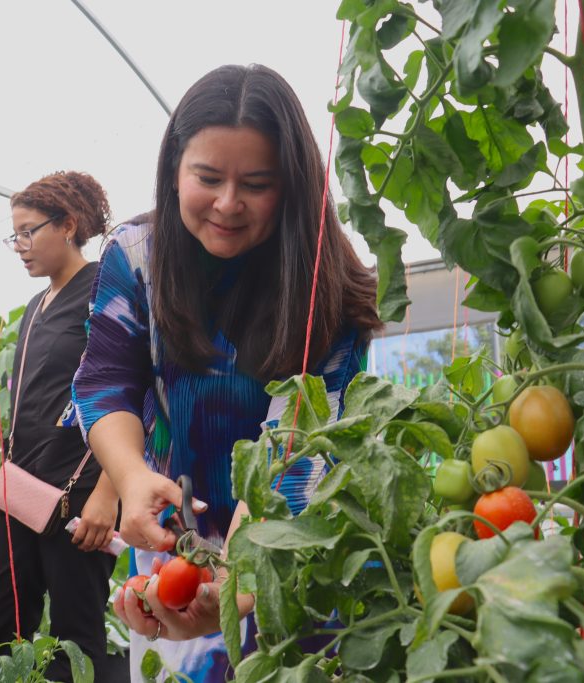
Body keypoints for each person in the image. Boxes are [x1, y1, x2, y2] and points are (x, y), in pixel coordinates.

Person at [71, 64, 381, 681]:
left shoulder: (329, 285)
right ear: (174, 170)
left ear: (292, 186)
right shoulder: (136, 256)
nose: (228, 204)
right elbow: (106, 383)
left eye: (257, 184)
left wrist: (239, 585)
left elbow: (296, 445)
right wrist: (131, 479)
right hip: (171, 545)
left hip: (293, 542)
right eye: (207, 178)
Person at [0, 171, 119, 682]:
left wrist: (108, 492)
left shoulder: (106, 294)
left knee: (74, 641)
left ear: (68, 225)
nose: (19, 246)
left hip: (81, 493)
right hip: (24, 489)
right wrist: (1, 484)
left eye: (28, 231)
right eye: (13, 234)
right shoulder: (35, 308)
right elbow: (27, 406)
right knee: (1, 625)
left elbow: (136, 396)